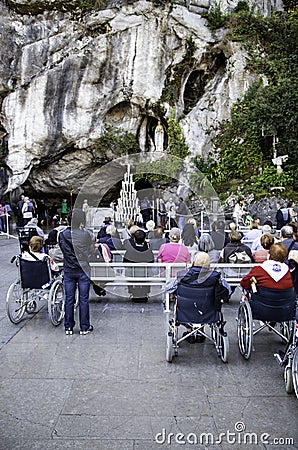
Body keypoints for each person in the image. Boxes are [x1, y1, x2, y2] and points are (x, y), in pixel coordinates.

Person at [170, 252, 230, 343]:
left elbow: (169, 288)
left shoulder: (181, 275)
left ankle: (189, 331)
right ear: (209, 265)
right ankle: (200, 333)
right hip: (208, 309)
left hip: (186, 309)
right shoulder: (215, 276)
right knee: (206, 303)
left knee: (183, 304)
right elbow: (228, 290)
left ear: (193, 263)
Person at [58, 209, 94, 335]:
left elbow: (63, 249)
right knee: (84, 299)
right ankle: (84, 326)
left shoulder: (62, 234)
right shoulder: (87, 234)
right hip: (83, 268)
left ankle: (68, 327)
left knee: (69, 299)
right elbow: (91, 249)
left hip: (69, 268)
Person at [123, 229, 154, 302]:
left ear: (134, 239)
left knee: (128, 272)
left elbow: (125, 263)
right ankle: (146, 292)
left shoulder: (130, 250)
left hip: (132, 274)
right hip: (145, 273)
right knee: (149, 272)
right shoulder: (148, 249)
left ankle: (132, 292)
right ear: (144, 239)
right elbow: (152, 262)